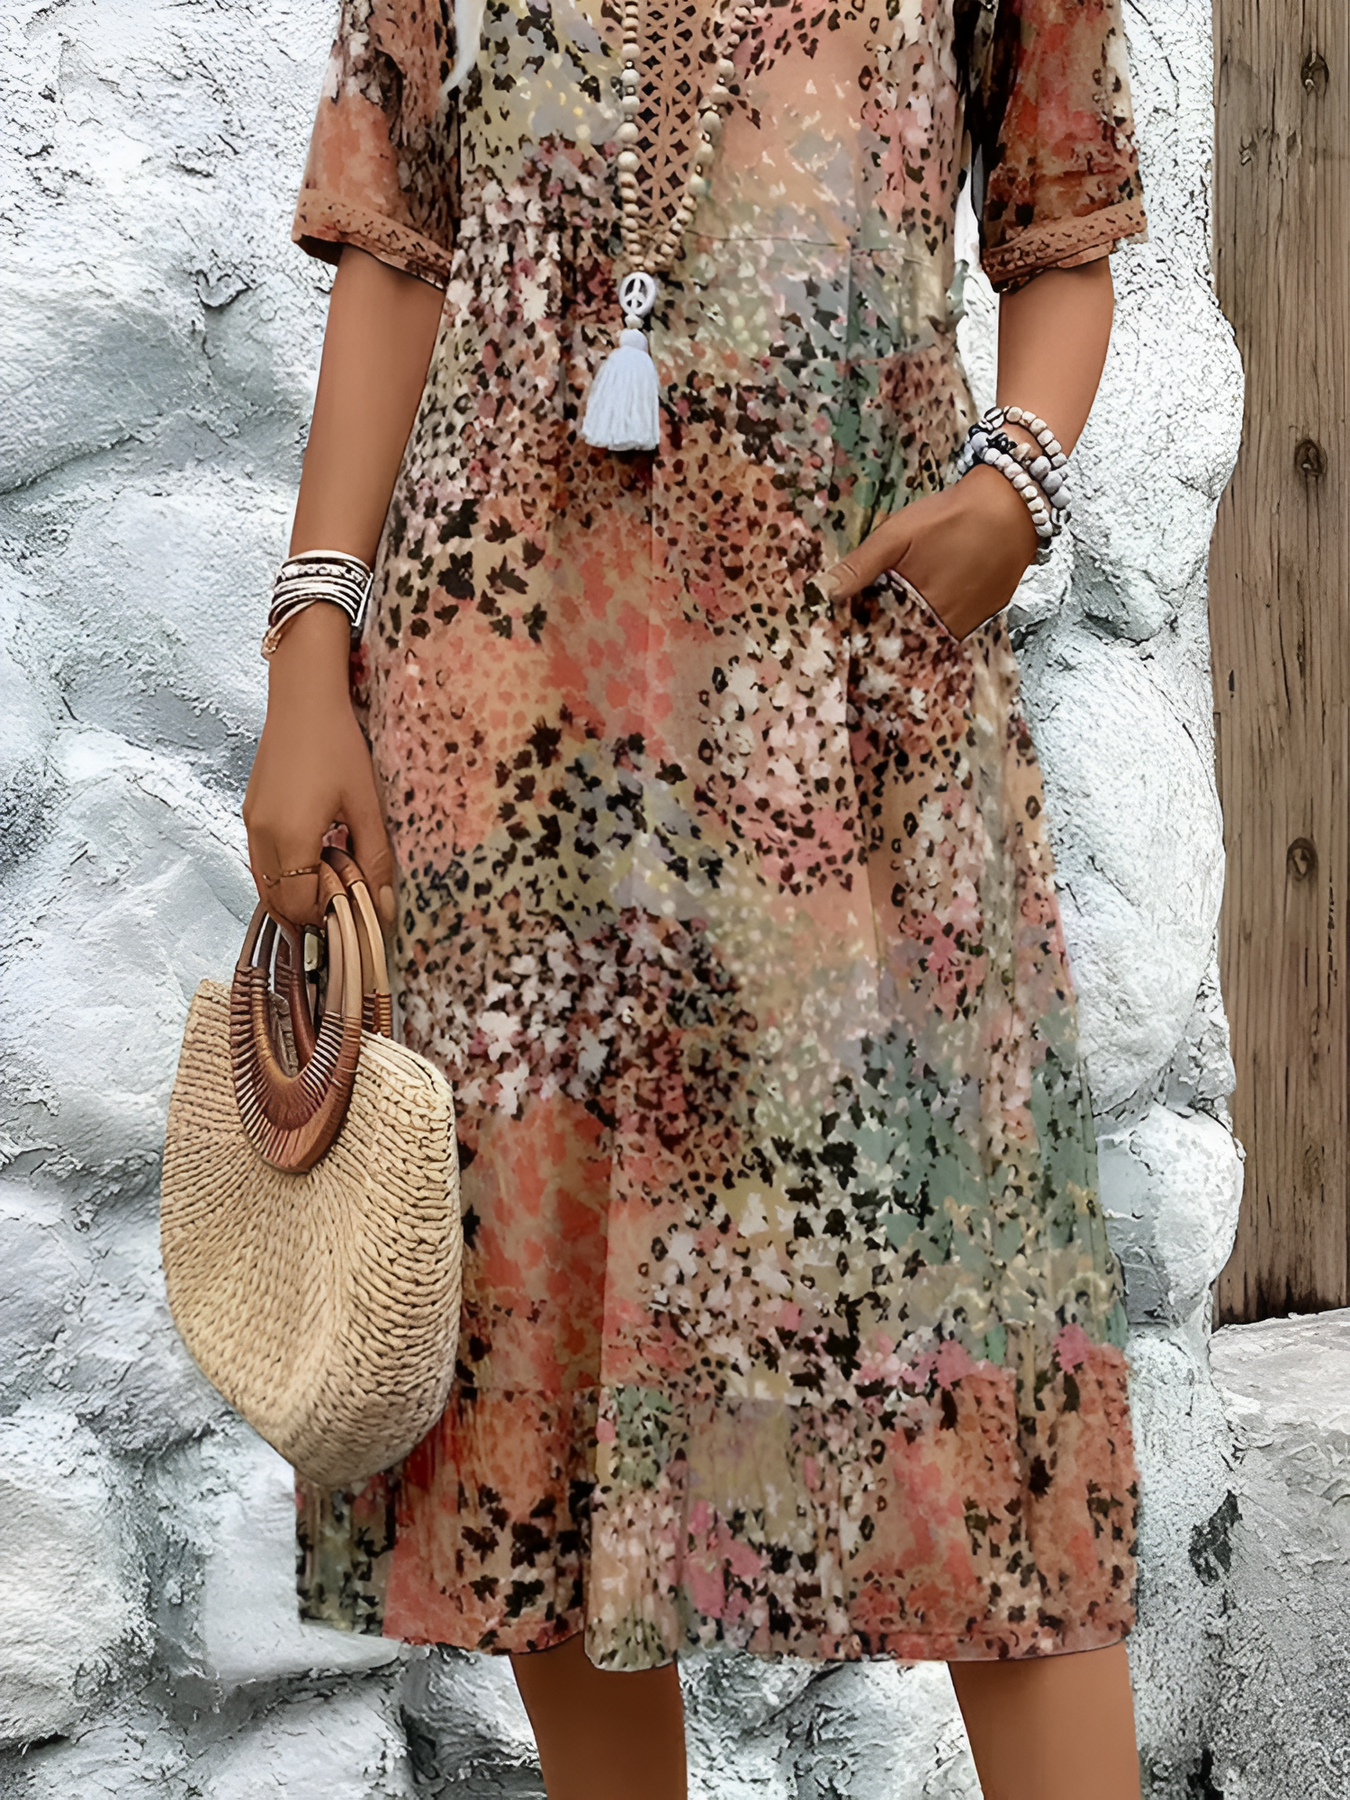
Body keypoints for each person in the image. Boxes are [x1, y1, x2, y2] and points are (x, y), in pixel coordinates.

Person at [243, 0, 1150, 1793]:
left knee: (980, 1371)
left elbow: (1061, 219)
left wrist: (1015, 486)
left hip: (854, 706)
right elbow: (393, 242)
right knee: (540, 1340)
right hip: (506, 705)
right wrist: (308, 647)